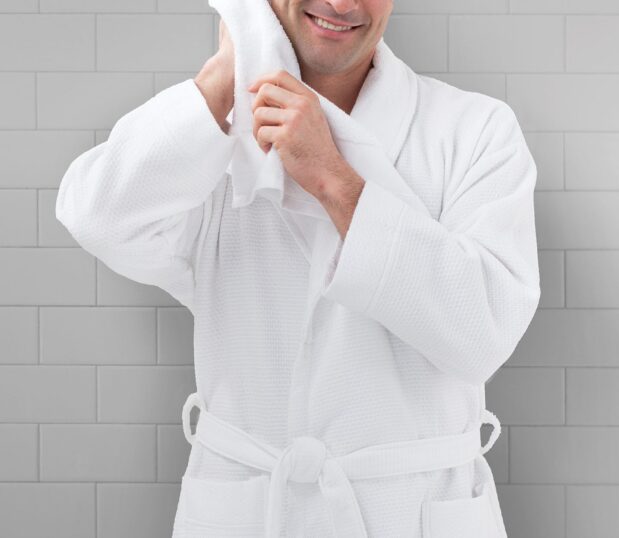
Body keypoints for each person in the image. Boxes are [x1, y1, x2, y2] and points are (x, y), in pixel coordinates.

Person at [55, 1, 541, 536]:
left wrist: (334, 179)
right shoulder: (212, 138)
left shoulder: (475, 130)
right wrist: (228, 76)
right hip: (248, 507)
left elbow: (484, 331)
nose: (342, 3)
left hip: (413, 508)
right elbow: (97, 216)